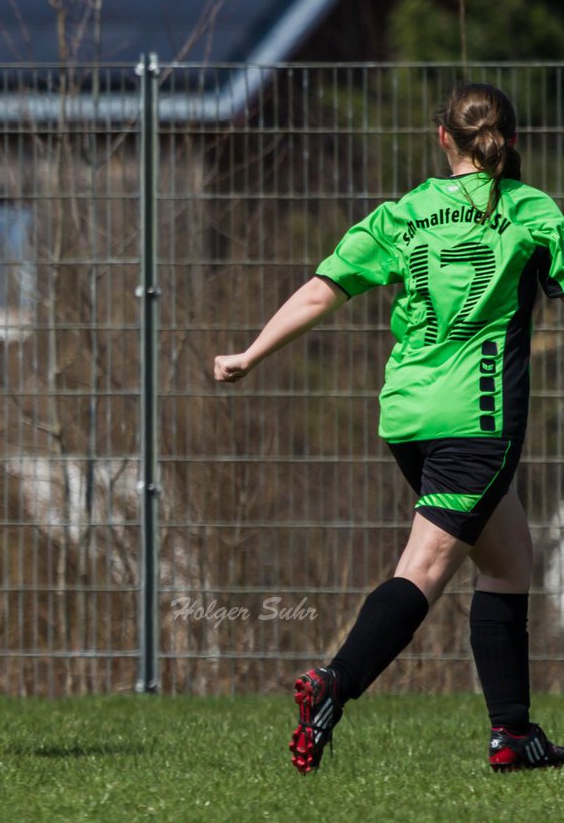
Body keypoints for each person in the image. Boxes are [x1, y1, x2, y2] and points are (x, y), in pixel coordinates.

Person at [214, 83, 564, 774]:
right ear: (512, 142)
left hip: (407, 415)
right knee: (426, 567)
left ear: (444, 140)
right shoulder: (534, 212)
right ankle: (332, 685)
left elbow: (322, 288)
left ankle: (513, 733)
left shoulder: (404, 214)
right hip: (478, 418)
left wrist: (250, 352)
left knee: (508, 559)